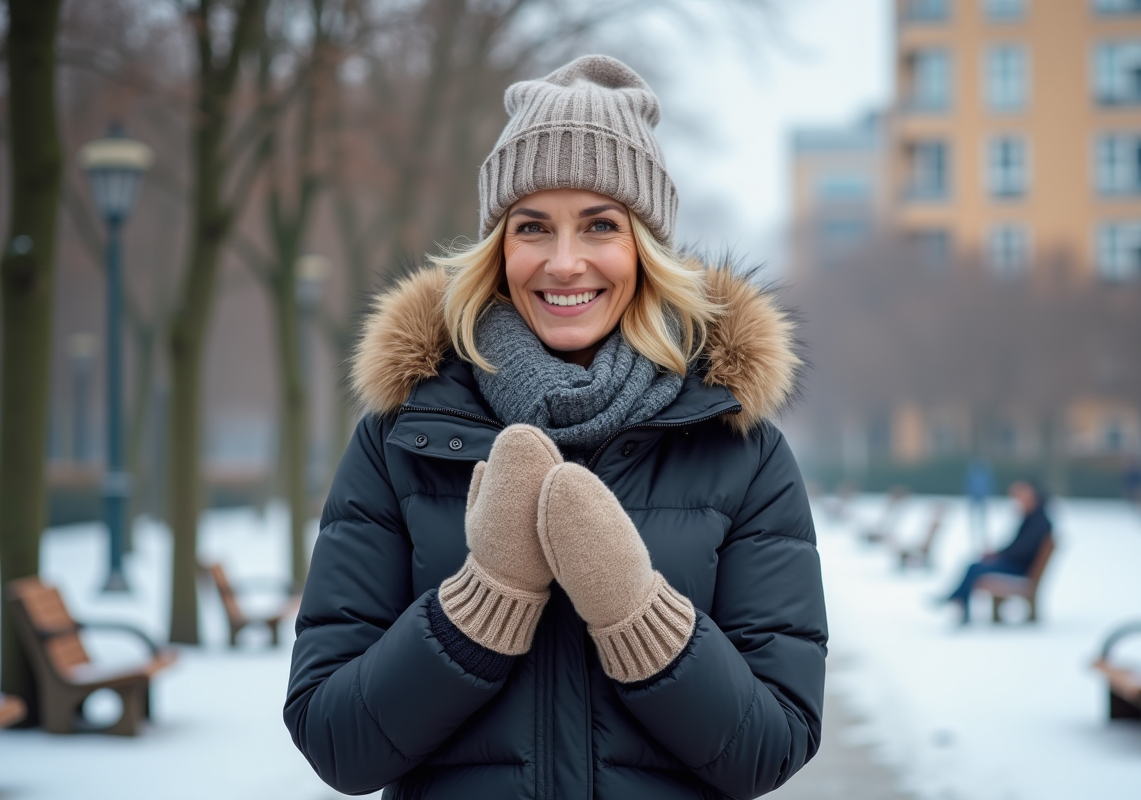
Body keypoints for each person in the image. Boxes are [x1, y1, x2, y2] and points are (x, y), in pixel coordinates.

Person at [284, 55, 828, 800]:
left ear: (647, 248)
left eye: (600, 226)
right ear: (498, 248)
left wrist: (637, 615)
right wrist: (484, 601)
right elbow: (335, 742)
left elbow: (772, 747)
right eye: (532, 227)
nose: (564, 262)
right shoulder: (401, 438)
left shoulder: (740, 448)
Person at [940, 479, 1052, 625]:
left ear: (1033, 498)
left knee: (975, 569)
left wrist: (999, 555)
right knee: (974, 566)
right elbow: (1017, 547)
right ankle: (958, 600)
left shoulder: (1038, 522)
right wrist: (997, 554)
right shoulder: (1033, 518)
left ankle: (958, 600)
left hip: (1020, 569)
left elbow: (1022, 551)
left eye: (1021, 497)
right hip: (1017, 565)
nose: (1018, 502)